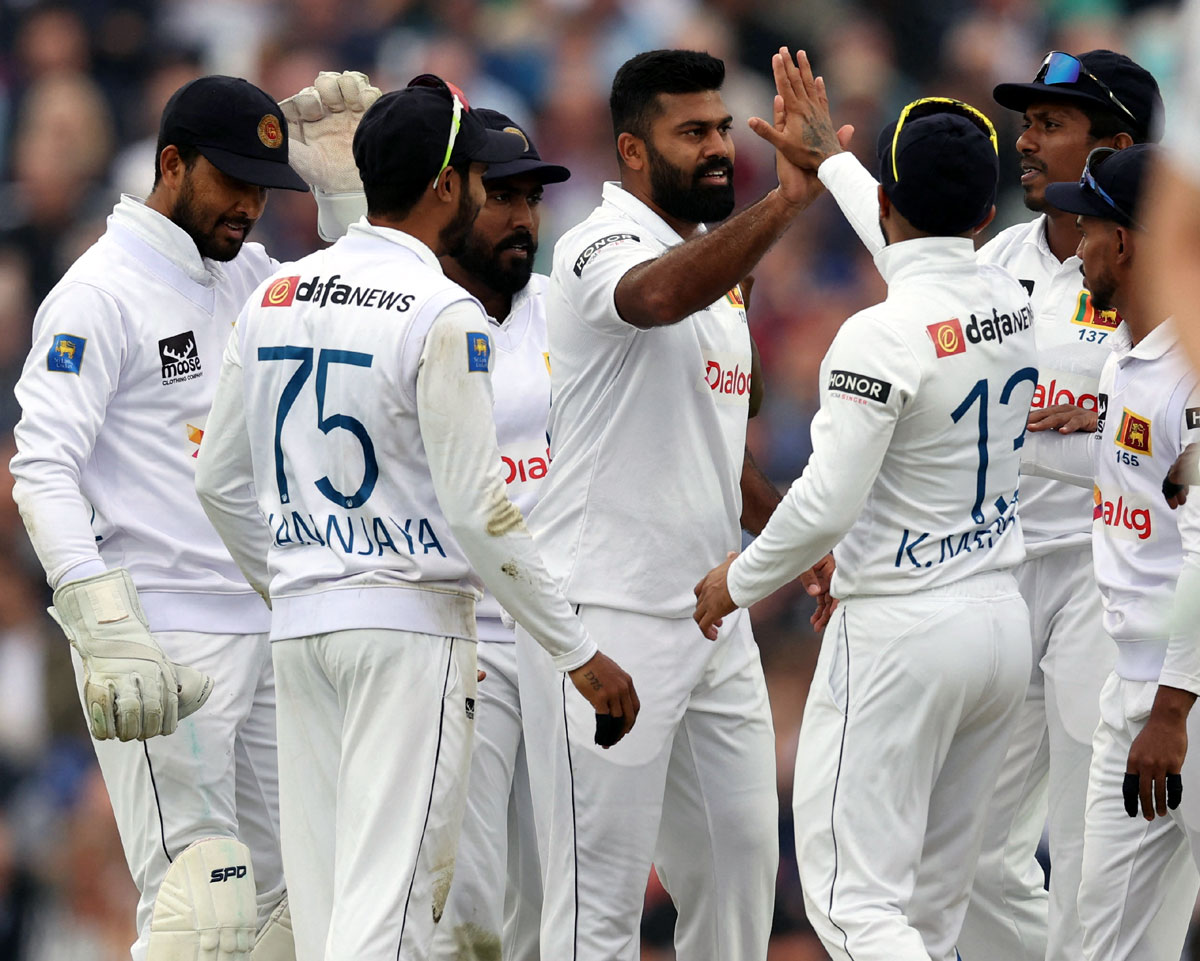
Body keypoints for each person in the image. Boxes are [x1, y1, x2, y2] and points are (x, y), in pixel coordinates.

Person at [192, 76, 639, 961]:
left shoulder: (274, 296)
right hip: (410, 631)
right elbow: (478, 509)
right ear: (445, 185)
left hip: (303, 630)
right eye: (475, 176)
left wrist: (293, 581)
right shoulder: (444, 310)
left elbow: (216, 482)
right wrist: (579, 653)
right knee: (395, 918)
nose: (486, 192)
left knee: (326, 916)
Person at [775, 46, 1170, 960]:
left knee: (1085, 853)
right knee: (986, 858)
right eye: (1027, 123)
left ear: (1113, 145)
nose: (1024, 142)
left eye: (1049, 126)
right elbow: (907, 257)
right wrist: (831, 160)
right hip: (996, 576)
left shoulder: (1155, 271)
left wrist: (1106, 412)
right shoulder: (1003, 256)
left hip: (1102, 585)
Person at [9, 71, 379, 961]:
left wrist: (350, 204)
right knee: (201, 912)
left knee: (300, 911)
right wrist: (101, 620)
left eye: (263, 188)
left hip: (267, 619)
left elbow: (369, 320)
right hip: (163, 641)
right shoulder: (97, 292)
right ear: (171, 164)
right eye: (231, 182)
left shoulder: (247, 272)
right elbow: (40, 466)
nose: (249, 207)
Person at [514, 48, 847, 961]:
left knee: (741, 884)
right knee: (597, 912)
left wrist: (790, 533)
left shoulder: (716, 267)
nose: (715, 150)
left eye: (721, 131)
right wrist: (786, 202)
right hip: (610, 618)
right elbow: (654, 298)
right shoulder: (594, 244)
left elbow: (713, 440)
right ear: (630, 149)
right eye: (691, 133)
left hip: (712, 614)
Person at [693, 74, 1037, 961]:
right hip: (1000, 625)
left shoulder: (879, 335)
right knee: (929, 910)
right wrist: (835, 164)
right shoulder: (1010, 300)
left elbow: (824, 505)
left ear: (886, 202)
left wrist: (736, 582)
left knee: (852, 905)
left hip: (901, 632)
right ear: (986, 220)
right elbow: (924, 263)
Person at [1019, 143, 1200, 961]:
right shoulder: (1131, 358)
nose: (1075, 243)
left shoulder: (1189, 373)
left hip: (1182, 703)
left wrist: (1170, 712)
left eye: (1086, 224)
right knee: (1100, 940)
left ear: (1125, 243)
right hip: (1134, 691)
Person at [428, 107, 569, 961]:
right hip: (460, 633)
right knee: (465, 909)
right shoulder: (416, 315)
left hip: (559, 632)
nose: (522, 217)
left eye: (532, 197)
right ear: (450, 196)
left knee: (559, 904)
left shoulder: (566, 308)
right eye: (500, 196)